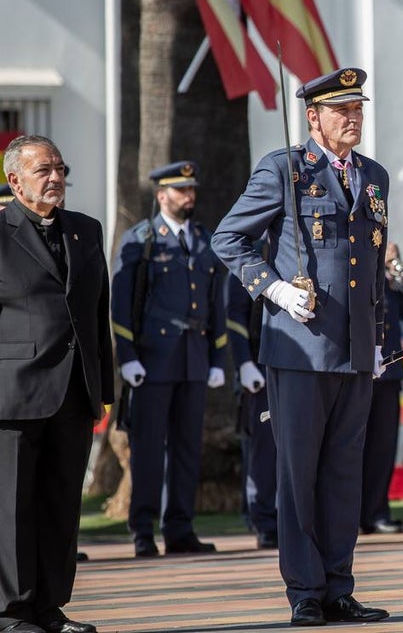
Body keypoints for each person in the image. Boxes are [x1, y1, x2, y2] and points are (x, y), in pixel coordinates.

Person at [211, 67, 391, 626]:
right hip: (299, 345)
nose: (353, 117)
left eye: (357, 108)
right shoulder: (285, 169)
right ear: (313, 117)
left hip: (356, 349)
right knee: (298, 475)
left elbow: (373, 268)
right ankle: (305, 591)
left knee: (344, 476)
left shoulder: (375, 175)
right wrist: (274, 288)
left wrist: (380, 339)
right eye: (341, 110)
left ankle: (339, 585)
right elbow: (228, 237)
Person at [1, 135, 112, 633]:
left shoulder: (85, 231)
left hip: (73, 392)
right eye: (43, 170)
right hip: (13, 393)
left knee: (62, 506)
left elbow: (96, 314)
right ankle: (11, 611)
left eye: (60, 168)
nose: (55, 178)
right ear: (14, 180)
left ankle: (49, 607)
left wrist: (102, 390)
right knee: (12, 509)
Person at [110, 160, 227, 557]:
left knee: (187, 448)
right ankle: (143, 530)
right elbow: (121, 305)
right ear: (162, 195)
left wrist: (216, 359)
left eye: (191, 189)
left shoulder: (205, 239)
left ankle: (179, 528)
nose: (188, 196)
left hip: (193, 358)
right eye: (181, 190)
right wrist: (126, 356)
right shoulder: (141, 240)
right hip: (152, 361)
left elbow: (216, 306)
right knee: (147, 449)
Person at [360, 241, 403, 535]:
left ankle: (377, 511)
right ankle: (350, 514)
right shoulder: (357, 266)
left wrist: (397, 271)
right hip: (360, 371)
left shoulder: (391, 280)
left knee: (382, 448)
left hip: (389, 373)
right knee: (353, 448)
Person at [224, 239, 278, 550]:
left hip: (292, 366)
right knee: (263, 453)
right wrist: (244, 363)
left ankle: (287, 519)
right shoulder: (251, 253)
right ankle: (265, 521)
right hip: (259, 365)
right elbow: (235, 314)